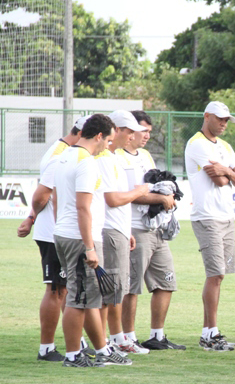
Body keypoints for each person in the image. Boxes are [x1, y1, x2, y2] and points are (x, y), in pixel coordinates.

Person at [52, 114, 131, 367]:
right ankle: (74, 355)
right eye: (108, 140)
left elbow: (56, 198)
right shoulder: (87, 162)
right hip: (80, 237)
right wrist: (89, 247)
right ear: (98, 136)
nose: (108, 145)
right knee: (79, 298)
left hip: (65, 234)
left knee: (86, 297)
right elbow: (83, 207)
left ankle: (101, 350)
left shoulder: (64, 155)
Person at [17, 115, 89, 362]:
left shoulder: (64, 151)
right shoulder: (60, 155)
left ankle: (76, 341)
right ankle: (46, 348)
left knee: (66, 288)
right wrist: (35, 216)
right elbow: (41, 194)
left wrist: (32, 218)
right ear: (81, 133)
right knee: (56, 289)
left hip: (57, 231)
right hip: (53, 233)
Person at [185, 101, 235, 351]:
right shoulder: (197, 143)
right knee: (215, 274)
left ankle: (211, 331)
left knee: (220, 276)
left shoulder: (225, 146)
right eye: (220, 118)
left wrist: (226, 171)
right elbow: (220, 181)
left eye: (226, 120)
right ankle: (209, 332)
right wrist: (227, 172)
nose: (223, 123)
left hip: (226, 217)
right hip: (208, 216)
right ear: (206, 116)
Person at [120, 111, 182, 351]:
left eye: (149, 131)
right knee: (131, 287)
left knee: (166, 282)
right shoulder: (118, 158)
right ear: (130, 130)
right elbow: (129, 195)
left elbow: (152, 186)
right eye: (143, 130)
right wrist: (161, 198)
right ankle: (128, 337)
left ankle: (157, 336)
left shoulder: (145, 155)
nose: (147, 135)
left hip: (156, 228)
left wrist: (167, 196)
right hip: (134, 228)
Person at [97, 111, 151, 355]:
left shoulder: (112, 158)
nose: (132, 136)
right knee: (112, 290)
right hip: (109, 230)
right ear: (115, 130)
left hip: (118, 229)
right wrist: (139, 192)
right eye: (129, 130)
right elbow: (112, 198)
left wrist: (125, 229)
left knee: (117, 288)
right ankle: (113, 340)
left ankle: (114, 339)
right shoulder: (105, 159)